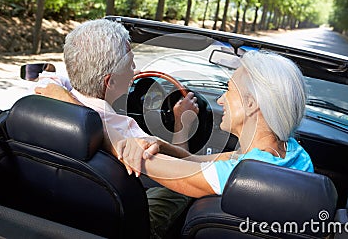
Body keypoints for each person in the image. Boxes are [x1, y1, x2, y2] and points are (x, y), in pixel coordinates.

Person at [34, 19, 199, 239]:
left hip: (54, 208)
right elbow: (186, 170)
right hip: (120, 225)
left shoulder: (45, 98)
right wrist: (182, 124)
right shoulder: (127, 132)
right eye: (131, 64)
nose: (136, 70)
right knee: (178, 191)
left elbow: (50, 78)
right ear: (110, 82)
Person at [113, 50, 314, 199]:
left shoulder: (242, 174)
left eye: (228, 90)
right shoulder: (293, 154)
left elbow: (168, 170)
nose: (220, 100)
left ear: (251, 104)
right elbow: (197, 161)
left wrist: (117, 143)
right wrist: (159, 143)